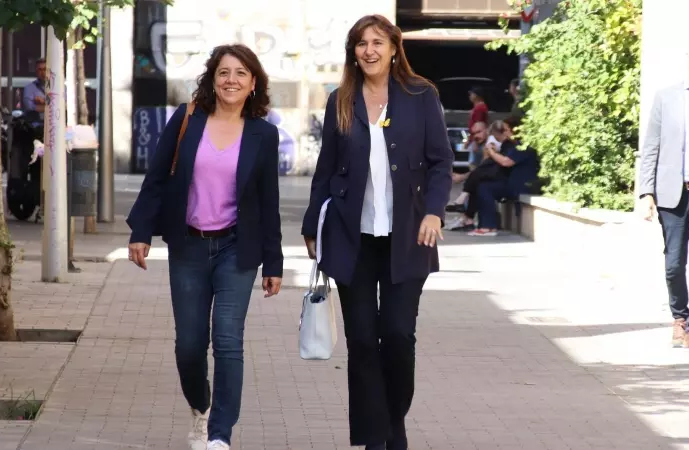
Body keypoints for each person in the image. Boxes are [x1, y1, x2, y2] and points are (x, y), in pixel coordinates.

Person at [301, 15, 453, 450]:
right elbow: (326, 168)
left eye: (377, 42)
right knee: (364, 340)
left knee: (400, 336)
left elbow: (441, 161)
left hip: (409, 236)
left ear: (393, 48)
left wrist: (434, 213)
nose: (369, 50)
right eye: (361, 43)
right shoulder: (341, 100)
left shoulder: (421, 95)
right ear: (354, 51)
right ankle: (377, 438)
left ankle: (393, 424)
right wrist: (313, 223)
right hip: (353, 237)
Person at [125, 44, 284, 450]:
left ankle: (219, 435)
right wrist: (140, 230)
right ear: (213, 79)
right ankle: (201, 406)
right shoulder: (188, 119)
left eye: (241, 74)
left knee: (228, 341)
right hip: (189, 247)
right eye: (224, 72)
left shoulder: (263, 134)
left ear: (253, 84)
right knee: (190, 346)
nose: (232, 80)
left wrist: (274, 262)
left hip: (237, 248)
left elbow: (269, 202)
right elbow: (157, 177)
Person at [639, 40, 689, 352]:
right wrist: (645, 192)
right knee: (673, 264)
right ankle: (679, 318)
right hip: (673, 194)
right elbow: (651, 146)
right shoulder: (666, 98)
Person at [467, 120, 539, 237]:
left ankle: (488, 227)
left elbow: (506, 162)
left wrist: (491, 151)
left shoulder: (523, 146)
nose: (505, 133)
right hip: (514, 183)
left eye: (506, 130)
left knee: (485, 188)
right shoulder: (516, 145)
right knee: (483, 185)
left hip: (521, 186)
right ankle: (485, 225)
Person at [22, 58, 46, 126]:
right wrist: (51, 106)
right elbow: (29, 107)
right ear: (36, 71)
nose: (43, 73)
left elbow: (63, 105)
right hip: (35, 127)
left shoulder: (58, 88)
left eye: (45, 69)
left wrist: (43, 102)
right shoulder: (29, 88)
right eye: (40, 70)